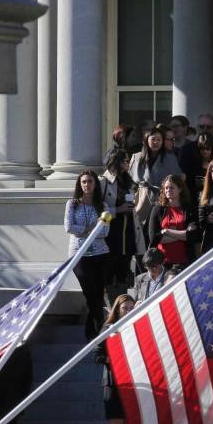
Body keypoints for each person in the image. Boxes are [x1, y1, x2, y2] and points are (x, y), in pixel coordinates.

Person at [93, 294, 135, 424]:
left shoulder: (136, 325)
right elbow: (96, 354)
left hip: (133, 381)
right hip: (113, 382)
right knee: (116, 423)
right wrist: (115, 360)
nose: (128, 311)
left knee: (128, 423)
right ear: (117, 309)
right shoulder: (109, 328)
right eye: (125, 308)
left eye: (131, 308)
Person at [65, 170, 110, 340]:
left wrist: (83, 230)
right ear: (79, 184)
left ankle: (94, 334)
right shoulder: (72, 204)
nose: (86, 185)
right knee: (89, 293)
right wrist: (91, 228)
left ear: (95, 184)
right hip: (79, 255)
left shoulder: (103, 206)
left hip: (100, 254)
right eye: (83, 182)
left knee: (98, 293)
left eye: (90, 181)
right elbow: (69, 227)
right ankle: (99, 328)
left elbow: (105, 231)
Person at [129, 128, 183, 248]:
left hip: (162, 199)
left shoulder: (170, 157)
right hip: (141, 200)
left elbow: (176, 178)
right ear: (146, 140)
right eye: (153, 139)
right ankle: (141, 264)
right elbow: (131, 181)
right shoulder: (137, 157)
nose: (156, 142)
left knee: (155, 233)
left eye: (159, 139)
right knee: (139, 235)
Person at [100, 150, 138, 301]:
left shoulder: (128, 180)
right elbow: (98, 209)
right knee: (109, 270)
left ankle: (123, 307)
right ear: (116, 162)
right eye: (125, 161)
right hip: (111, 232)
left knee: (124, 269)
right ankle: (110, 307)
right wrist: (118, 210)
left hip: (127, 231)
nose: (128, 164)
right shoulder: (103, 181)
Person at [148, 174, 198, 271]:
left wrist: (167, 231)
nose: (168, 190)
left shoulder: (189, 209)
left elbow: (193, 236)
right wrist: (183, 233)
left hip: (185, 262)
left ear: (180, 189)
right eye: (166, 188)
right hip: (161, 263)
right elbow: (154, 238)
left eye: (171, 187)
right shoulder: (157, 209)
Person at [187, 132, 213, 198]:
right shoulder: (193, 164)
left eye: (208, 148)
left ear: (212, 148)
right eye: (202, 148)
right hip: (196, 199)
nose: (205, 151)